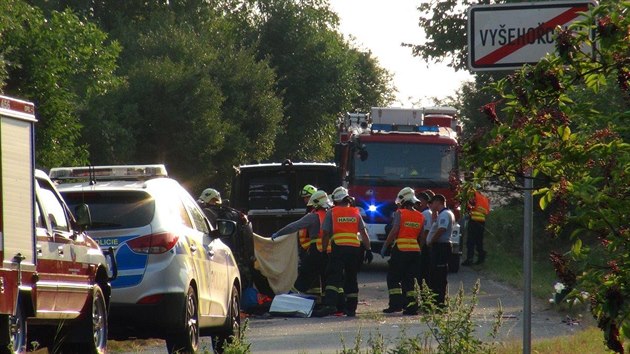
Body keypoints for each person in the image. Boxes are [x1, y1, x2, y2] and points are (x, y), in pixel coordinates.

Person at [314, 186, 372, 317]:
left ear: (335, 200)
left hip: (339, 248)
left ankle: (330, 305)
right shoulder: (355, 212)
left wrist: (323, 251)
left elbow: (326, 234)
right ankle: (351, 308)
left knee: (334, 276)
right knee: (351, 277)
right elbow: (364, 233)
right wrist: (368, 249)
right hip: (354, 249)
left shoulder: (332, 212)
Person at [271, 190, 331, 300]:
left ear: (316, 204)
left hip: (316, 251)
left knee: (304, 274)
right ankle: (327, 302)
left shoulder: (312, 217)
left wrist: (278, 233)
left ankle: (289, 299)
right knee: (325, 278)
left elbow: (294, 226)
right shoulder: (330, 215)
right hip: (328, 252)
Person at [380, 188, 425, 315]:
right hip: (415, 251)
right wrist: (419, 248)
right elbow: (422, 236)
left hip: (400, 249)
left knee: (393, 278)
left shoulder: (400, 213)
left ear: (403, 200)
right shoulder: (420, 216)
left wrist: (385, 245)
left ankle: (395, 305)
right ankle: (411, 307)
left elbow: (394, 230)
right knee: (410, 279)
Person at [425, 194, 455, 308]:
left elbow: (441, 229)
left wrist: (432, 241)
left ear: (438, 202)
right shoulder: (441, 214)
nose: (430, 205)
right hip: (439, 246)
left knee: (439, 275)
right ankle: (436, 300)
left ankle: (439, 302)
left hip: (441, 247)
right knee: (434, 274)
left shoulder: (445, 214)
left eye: (432, 203)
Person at [462, 189, 491, 266]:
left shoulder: (472, 194)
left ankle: (469, 259)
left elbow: (470, 205)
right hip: (481, 221)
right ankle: (481, 257)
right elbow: (487, 211)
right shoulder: (483, 198)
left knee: (470, 241)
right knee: (479, 241)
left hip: (474, 220)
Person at [415, 191, 434, 293]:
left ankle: (423, 294)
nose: (419, 203)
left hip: (425, 247)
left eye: (420, 201)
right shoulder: (426, 213)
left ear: (426, 201)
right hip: (426, 246)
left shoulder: (425, 214)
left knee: (423, 273)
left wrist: (420, 248)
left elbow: (425, 233)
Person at [297, 185, 318, 254]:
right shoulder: (309, 209)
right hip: (308, 246)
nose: (305, 199)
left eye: (308, 197)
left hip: (314, 246)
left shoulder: (316, 209)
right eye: (304, 197)